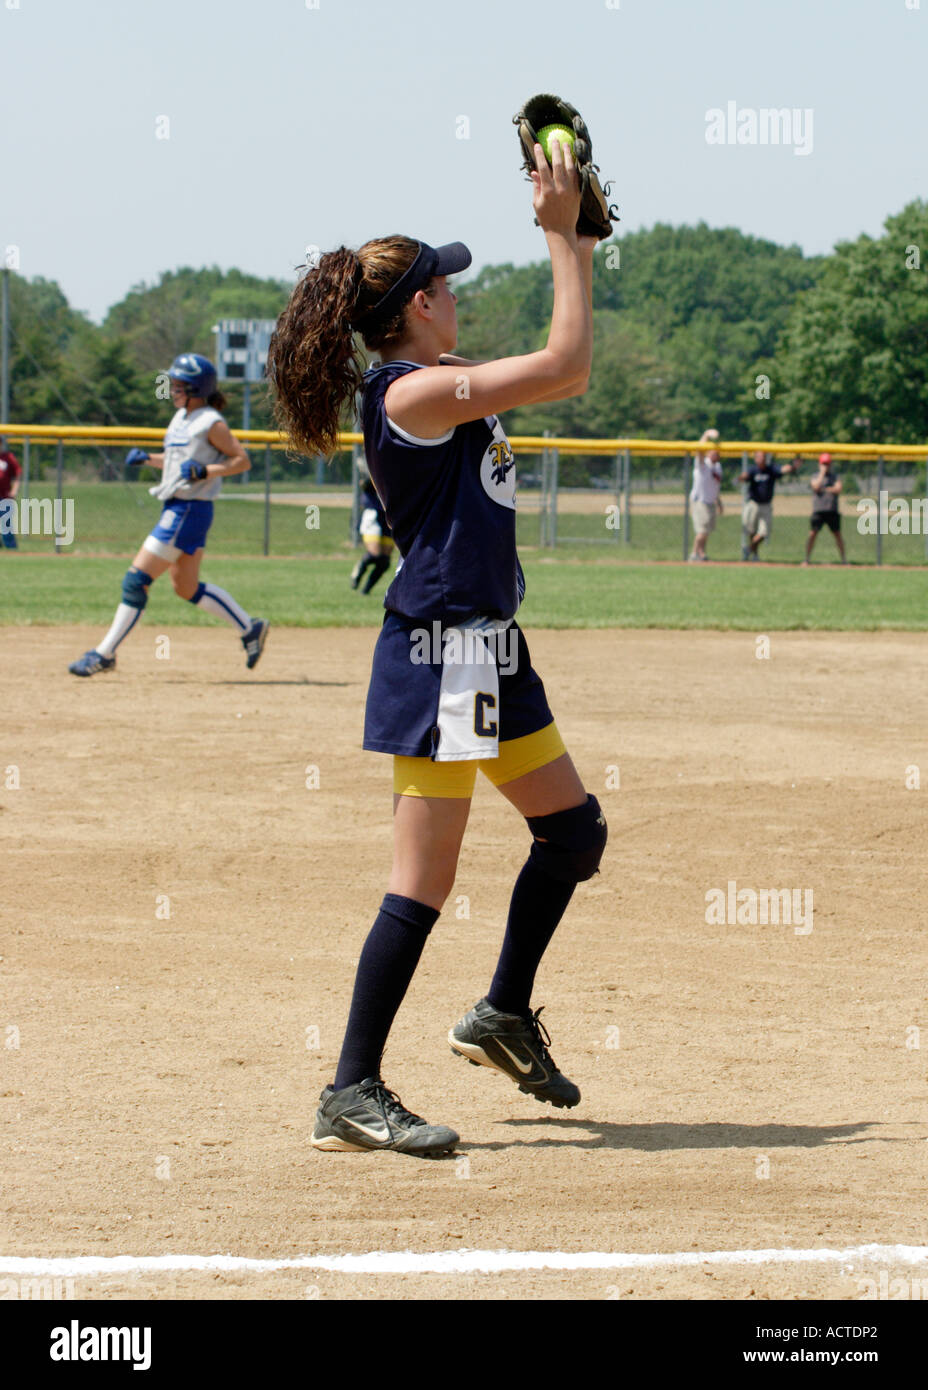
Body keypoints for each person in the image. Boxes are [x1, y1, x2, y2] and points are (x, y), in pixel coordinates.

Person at [268, 136, 607, 1158]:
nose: (454, 292)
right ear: (415, 306)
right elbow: (567, 366)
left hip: (492, 651)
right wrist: (567, 240)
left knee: (574, 835)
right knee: (423, 880)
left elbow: (540, 374)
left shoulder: (438, 376)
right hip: (444, 653)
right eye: (442, 283)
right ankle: (350, 1087)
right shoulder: (409, 395)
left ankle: (501, 1012)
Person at [68, 354, 269, 676]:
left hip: (187, 510)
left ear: (196, 388)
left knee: (136, 581)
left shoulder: (210, 421)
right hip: (181, 508)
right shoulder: (181, 418)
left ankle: (104, 653)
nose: (173, 388)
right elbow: (179, 464)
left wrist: (206, 471)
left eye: (179, 384)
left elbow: (241, 461)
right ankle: (250, 627)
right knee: (186, 588)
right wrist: (149, 459)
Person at [738, 449, 800, 561]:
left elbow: (783, 469)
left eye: (763, 457)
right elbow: (743, 477)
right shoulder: (753, 470)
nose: (762, 459)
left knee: (764, 532)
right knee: (752, 530)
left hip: (766, 505)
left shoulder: (771, 469)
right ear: (756, 458)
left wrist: (793, 466)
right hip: (754, 503)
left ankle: (748, 549)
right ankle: (755, 555)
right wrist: (742, 477)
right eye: (759, 456)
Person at [350, 470, 395, 594]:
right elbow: (364, 483)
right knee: (375, 554)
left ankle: (366, 590)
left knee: (385, 561)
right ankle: (359, 570)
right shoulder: (376, 459)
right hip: (373, 514)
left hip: (388, 517)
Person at [803, 452, 846, 564]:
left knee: (838, 535)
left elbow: (838, 489)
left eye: (827, 464)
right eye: (824, 464)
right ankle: (807, 559)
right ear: (819, 464)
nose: (826, 466)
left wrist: (825, 489)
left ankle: (844, 560)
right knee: (812, 534)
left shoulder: (835, 477)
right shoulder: (815, 476)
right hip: (818, 510)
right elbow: (816, 486)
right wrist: (822, 474)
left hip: (832, 510)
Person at [689, 429, 723, 561]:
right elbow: (699, 450)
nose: (715, 453)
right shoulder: (703, 464)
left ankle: (701, 553)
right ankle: (694, 554)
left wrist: (719, 502)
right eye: (712, 451)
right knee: (702, 530)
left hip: (710, 501)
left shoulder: (718, 466)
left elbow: (715, 487)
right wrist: (706, 434)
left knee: (706, 531)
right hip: (700, 501)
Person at [0, 439, 22, 551]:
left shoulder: (8, 457)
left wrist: (14, 490)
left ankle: (11, 548)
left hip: (4, 495)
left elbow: (18, 473)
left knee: (6, 522)